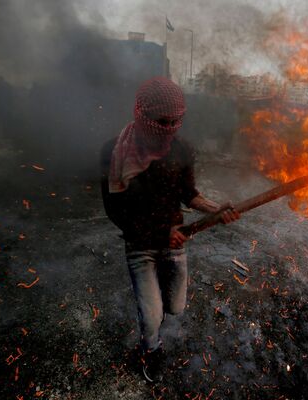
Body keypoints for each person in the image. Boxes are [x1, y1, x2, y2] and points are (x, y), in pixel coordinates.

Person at [100, 77, 239, 383]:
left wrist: (216, 209)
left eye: (177, 121)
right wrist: (158, 233)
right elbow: (115, 210)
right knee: (152, 316)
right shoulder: (114, 152)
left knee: (174, 307)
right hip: (140, 244)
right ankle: (150, 347)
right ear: (142, 115)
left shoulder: (183, 149)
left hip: (175, 242)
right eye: (163, 121)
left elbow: (189, 194)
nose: (170, 128)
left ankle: (153, 301)